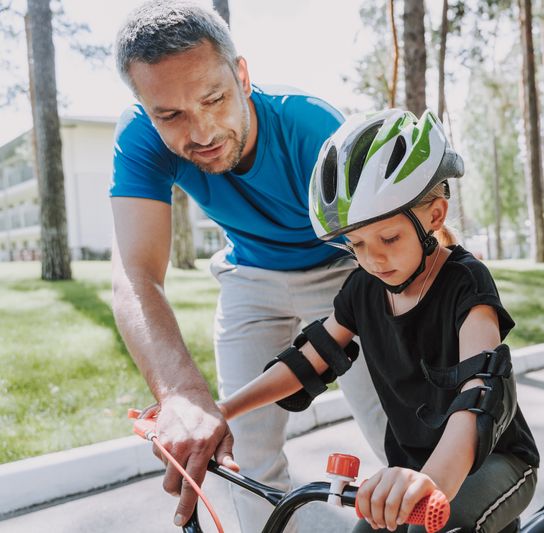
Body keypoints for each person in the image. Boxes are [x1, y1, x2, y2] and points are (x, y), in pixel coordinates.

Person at [109, 2, 386, 530]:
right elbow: (135, 274)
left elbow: (392, 242)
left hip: (342, 270)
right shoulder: (139, 139)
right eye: (170, 115)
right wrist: (183, 396)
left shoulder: (312, 127)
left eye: (213, 98)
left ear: (242, 75)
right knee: (248, 452)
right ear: (145, 108)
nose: (203, 130)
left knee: (393, 425)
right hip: (249, 278)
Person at [220, 109, 540, 533]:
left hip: (495, 459)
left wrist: (431, 481)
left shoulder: (466, 284)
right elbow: (306, 361)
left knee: (442, 528)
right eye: (356, 244)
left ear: (435, 216)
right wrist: (222, 411)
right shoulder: (363, 289)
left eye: (389, 238)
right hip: (411, 470)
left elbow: (480, 393)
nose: (373, 259)